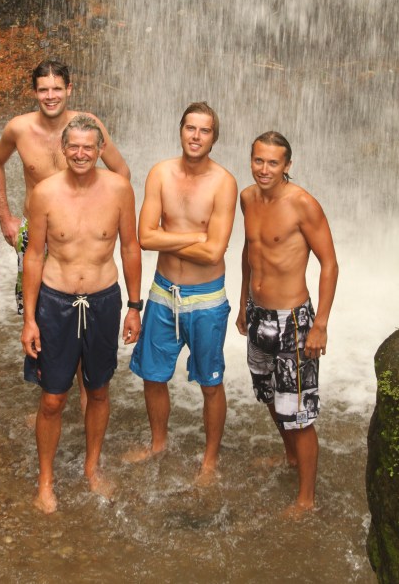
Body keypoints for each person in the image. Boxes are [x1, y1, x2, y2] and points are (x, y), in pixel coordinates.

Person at [21, 114, 142, 513]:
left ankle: (92, 467)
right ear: (62, 147)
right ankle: (45, 481)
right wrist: (29, 319)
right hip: (55, 303)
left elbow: (129, 249)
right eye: (73, 146)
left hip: (104, 300)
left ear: (101, 149)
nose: (80, 154)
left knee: (99, 390)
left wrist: (134, 307)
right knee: (53, 398)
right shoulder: (45, 193)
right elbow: (34, 254)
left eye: (89, 147)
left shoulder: (120, 189)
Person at [126, 102, 237, 483]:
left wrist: (167, 239)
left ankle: (209, 460)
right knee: (153, 376)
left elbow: (214, 252)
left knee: (211, 382)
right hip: (161, 294)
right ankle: (158, 444)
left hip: (206, 298)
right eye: (190, 128)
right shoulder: (160, 174)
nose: (195, 136)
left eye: (204, 130)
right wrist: (196, 237)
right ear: (180, 130)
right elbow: (144, 238)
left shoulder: (224, 182)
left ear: (214, 138)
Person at [236, 130, 338, 515]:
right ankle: (290, 458)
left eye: (273, 163)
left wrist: (321, 325)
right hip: (259, 313)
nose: (264, 169)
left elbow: (330, 263)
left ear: (287, 166)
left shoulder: (303, 204)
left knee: (298, 412)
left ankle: (306, 497)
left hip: (294, 319)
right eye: (258, 160)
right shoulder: (246, 198)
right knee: (270, 398)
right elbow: (250, 248)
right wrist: (245, 298)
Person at [0, 59, 130, 314]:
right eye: (43, 90)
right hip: (35, 233)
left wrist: (106, 221)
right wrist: (5, 217)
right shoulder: (19, 128)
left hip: (80, 233)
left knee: (82, 307)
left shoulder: (88, 126)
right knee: (33, 312)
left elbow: (121, 171)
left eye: (57, 89)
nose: (50, 96)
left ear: (69, 89)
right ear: (35, 92)